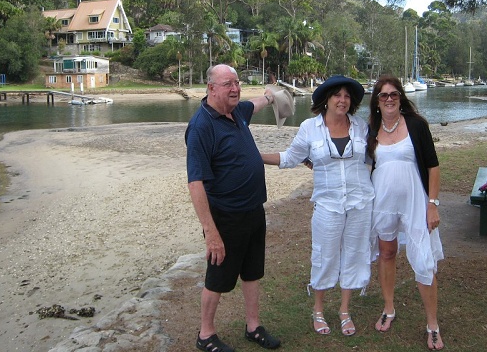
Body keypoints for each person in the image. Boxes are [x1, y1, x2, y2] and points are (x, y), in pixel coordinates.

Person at [261, 76, 374, 337]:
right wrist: (255, 157)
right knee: (325, 254)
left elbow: (373, 157)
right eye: (337, 95)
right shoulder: (310, 128)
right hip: (327, 204)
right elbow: (291, 157)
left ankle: (345, 310)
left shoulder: (361, 127)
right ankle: (319, 310)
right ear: (326, 99)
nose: (342, 100)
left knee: (355, 253)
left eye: (347, 96)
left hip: (360, 202)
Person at [185, 64, 281, 352]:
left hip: (253, 209)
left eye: (237, 83)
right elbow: (195, 183)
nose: (235, 88)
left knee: (252, 272)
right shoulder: (201, 126)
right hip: (225, 216)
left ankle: (253, 326)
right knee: (218, 279)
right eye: (228, 84)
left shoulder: (237, 112)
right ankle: (205, 335)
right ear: (211, 88)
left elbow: (258, 103)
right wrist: (210, 232)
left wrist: (272, 95)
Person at [367, 75, 445, 350]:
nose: (389, 99)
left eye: (394, 94)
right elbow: (359, 164)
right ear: (376, 102)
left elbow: (433, 167)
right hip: (382, 203)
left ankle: (432, 325)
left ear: (401, 97)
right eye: (384, 95)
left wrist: (432, 204)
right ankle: (389, 308)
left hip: (415, 202)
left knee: (423, 261)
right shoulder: (371, 129)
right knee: (387, 253)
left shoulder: (416, 125)